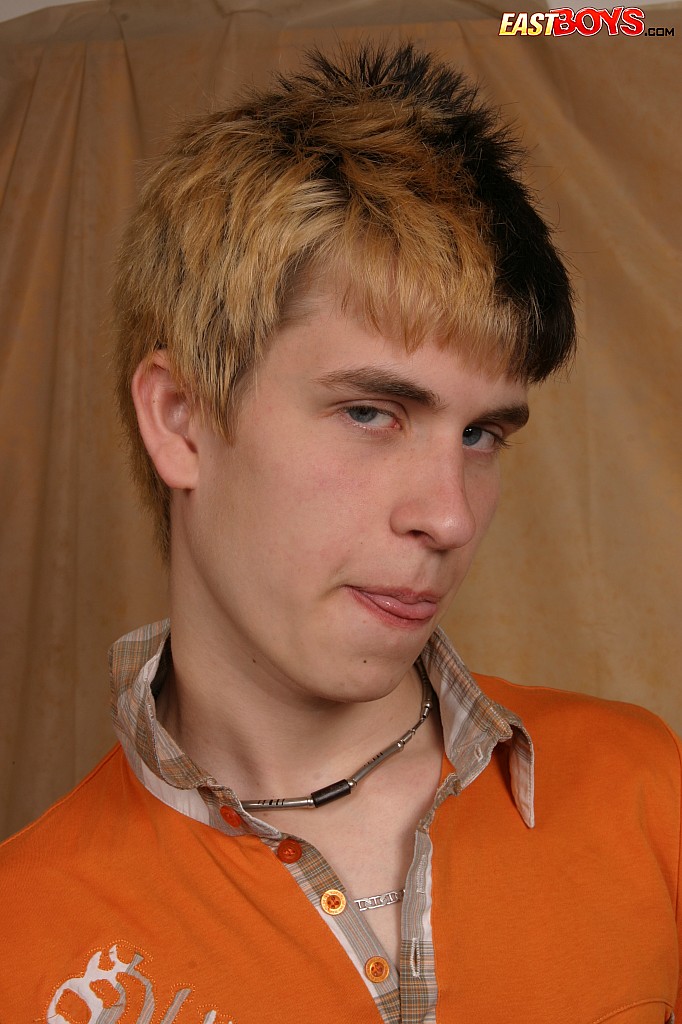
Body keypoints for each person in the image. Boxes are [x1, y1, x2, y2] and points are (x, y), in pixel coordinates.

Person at [1, 41, 679, 1024]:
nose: (449, 516)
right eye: (371, 412)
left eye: (482, 434)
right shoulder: (20, 936)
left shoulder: (644, 791)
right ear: (180, 420)